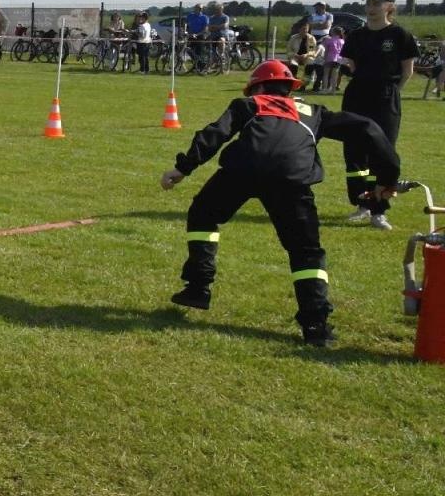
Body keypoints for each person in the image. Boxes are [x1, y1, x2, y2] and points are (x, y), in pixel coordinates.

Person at [162, 59, 398, 346]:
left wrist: (183, 169)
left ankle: (198, 287)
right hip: (292, 180)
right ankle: (315, 326)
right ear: (289, 88)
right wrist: (388, 177)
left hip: (241, 172)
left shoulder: (247, 105)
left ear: (259, 87)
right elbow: (368, 128)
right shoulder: (314, 113)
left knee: (203, 214)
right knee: (306, 252)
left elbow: (214, 134)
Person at [339, 0, 418, 230]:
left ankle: (379, 211)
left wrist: (391, 92)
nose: (371, 8)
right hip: (357, 96)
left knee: (382, 154)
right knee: (354, 154)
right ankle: (362, 204)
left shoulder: (399, 35)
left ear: (389, 7)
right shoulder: (356, 36)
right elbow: (349, 63)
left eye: (376, 4)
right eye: (369, 3)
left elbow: (407, 71)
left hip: (385, 97)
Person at [320, 26, 346, 94]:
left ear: (333, 32)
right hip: (338, 59)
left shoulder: (329, 40)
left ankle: (324, 89)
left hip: (329, 58)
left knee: (326, 74)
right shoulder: (342, 41)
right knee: (334, 76)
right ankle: (333, 90)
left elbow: (326, 50)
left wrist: (324, 58)